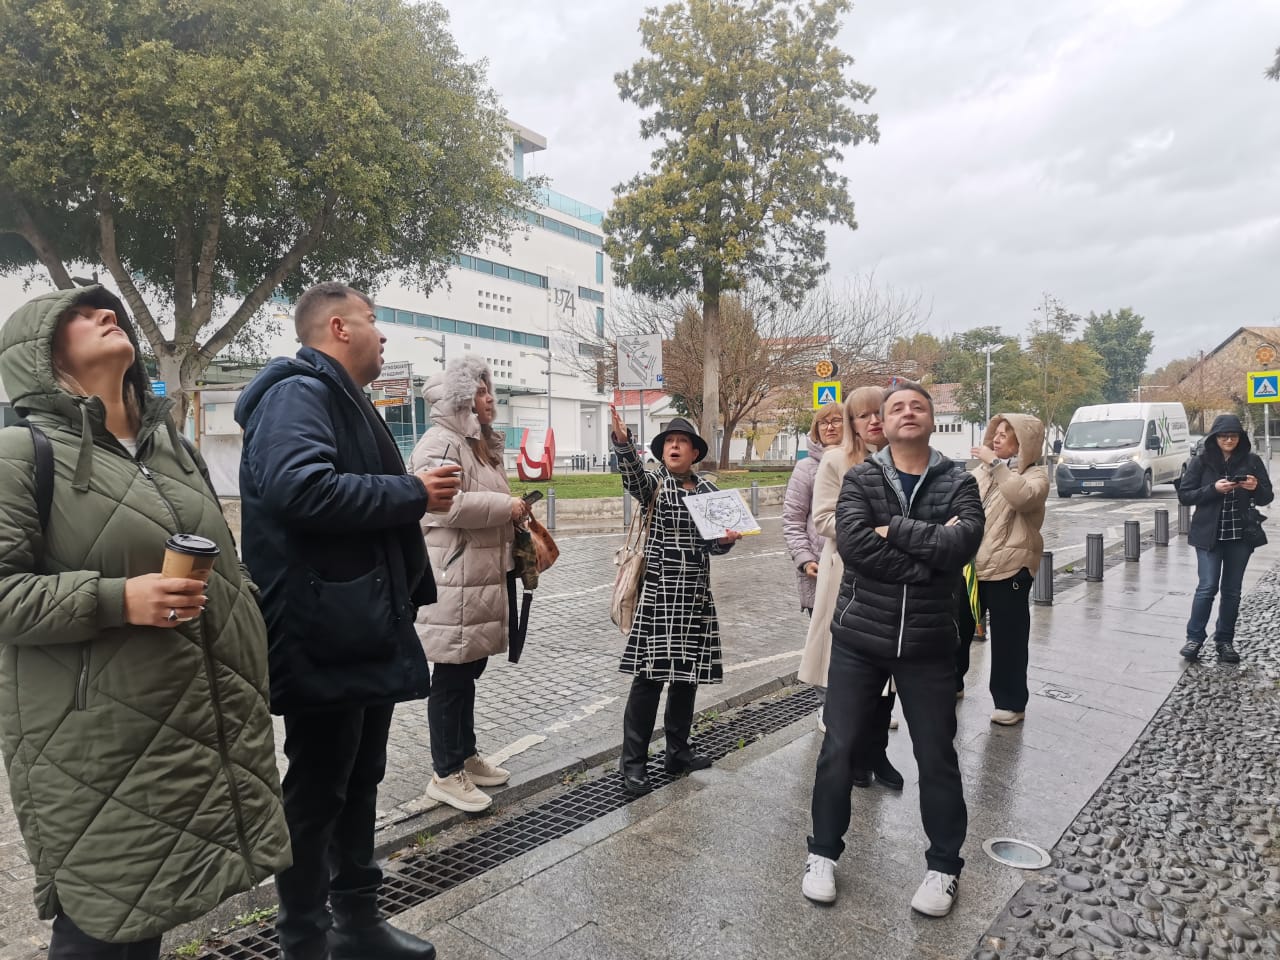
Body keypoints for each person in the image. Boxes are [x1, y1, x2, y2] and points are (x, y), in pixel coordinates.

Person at [0, 286, 291, 959]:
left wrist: (246, 618)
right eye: (79, 314)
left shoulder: (173, 448)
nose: (107, 314)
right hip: (96, 742)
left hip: (199, 723)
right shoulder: (20, 453)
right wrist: (116, 600)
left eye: (109, 309)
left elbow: (225, 560)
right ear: (38, 350)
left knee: (154, 911)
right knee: (106, 923)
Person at [236, 283, 462, 960]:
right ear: (338, 328)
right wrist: (413, 491)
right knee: (318, 788)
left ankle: (358, 924)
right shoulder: (298, 394)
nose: (382, 334)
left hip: (359, 623)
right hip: (322, 629)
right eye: (371, 320)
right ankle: (303, 938)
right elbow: (300, 488)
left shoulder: (341, 397)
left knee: (360, 777)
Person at [804, 381, 984, 918]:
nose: (908, 412)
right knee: (839, 748)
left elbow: (963, 544)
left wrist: (896, 529)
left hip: (929, 642)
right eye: (897, 407)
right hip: (860, 636)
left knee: (936, 754)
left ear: (931, 420)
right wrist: (929, 561)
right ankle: (822, 854)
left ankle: (944, 866)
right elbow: (856, 546)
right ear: (881, 422)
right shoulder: (861, 478)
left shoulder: (958, 480)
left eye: (918, 406)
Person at [410, 356, 529, 813]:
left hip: (478, 574)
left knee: (468, 670)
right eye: (480, 391)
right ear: (458, 398)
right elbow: (443, 505)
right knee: (451, 676)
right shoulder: (440, 442)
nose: (489, 398)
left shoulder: (475, 443)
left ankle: (464, 755)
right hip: (453, 577)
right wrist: (505, 507)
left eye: (488, 389)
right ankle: (445, 772)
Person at [610, 408, 741, 795]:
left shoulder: (708, 492)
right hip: (660, 594)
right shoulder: (655, 483)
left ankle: (677, 752)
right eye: (669, 441)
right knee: (649, 680)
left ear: (694, 452)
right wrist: (623, 444)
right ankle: (633, 763)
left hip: (696, 595)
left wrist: (725, 540)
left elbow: (715, 546)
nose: (675, 446)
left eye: (682, 442)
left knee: (686, 679)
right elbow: (633, 478)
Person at [798, 386, 902, 791]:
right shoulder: (836, 460)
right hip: (848, 574)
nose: (873, 421)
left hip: (896, 575)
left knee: (889, 669)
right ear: (852, 423)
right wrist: (882, 532)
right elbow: (823, 518)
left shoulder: (906, 458)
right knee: (853, 672)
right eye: (862, 415)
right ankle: (854, 757)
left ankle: (878, 752)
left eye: (879, 412)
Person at [954, 414, 1049, 725]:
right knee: (954, 630)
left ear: (1023, 443)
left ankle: (1010, 702)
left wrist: (996, 465)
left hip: (1010, 568)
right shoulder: (980, 472)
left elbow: (1022, 497)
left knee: (1009, 640)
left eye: (1006, 434)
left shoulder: (1036, 476)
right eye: (996, 431)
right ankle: (952, 683)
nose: (997, 437)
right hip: (971, 567)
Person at [1179, 414, 1273, 663]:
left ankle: (1224, 641)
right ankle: (1194, 638)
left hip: (1240, 537)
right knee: (1207, 587)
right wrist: (1214, 489)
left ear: (1240, 438)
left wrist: (1255, 488)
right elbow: (1185, 495)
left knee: (1232, 591)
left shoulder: (1252, 461)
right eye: (1223, 436)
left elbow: (1267, 496)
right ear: (1215, 438)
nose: (1229, 440)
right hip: (1208, 535)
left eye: (1233, 436)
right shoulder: (1201, 461)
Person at [783, 402, 843, 617]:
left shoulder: (861, 462)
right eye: (823, 423)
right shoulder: (806, 467)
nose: (830, 427)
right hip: (818, 568)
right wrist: (805, 559)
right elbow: (793, 520)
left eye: (836, 421)